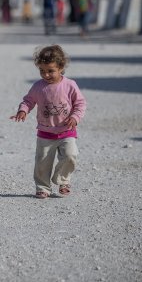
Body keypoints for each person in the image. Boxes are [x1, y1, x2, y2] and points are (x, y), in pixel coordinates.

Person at [9, 45, 86, 199]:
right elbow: (29, 100)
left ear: (61, 67)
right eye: (42, 71)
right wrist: (23, 110)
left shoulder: (70, 85)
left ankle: (63, 180)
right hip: (45, 133)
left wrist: (75, 117)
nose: (46, 74)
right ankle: (43, 187)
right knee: (42, 163)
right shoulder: (39, 86)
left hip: (66, 131)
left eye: (50, 70)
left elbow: (80, 103)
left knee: (71, 155)